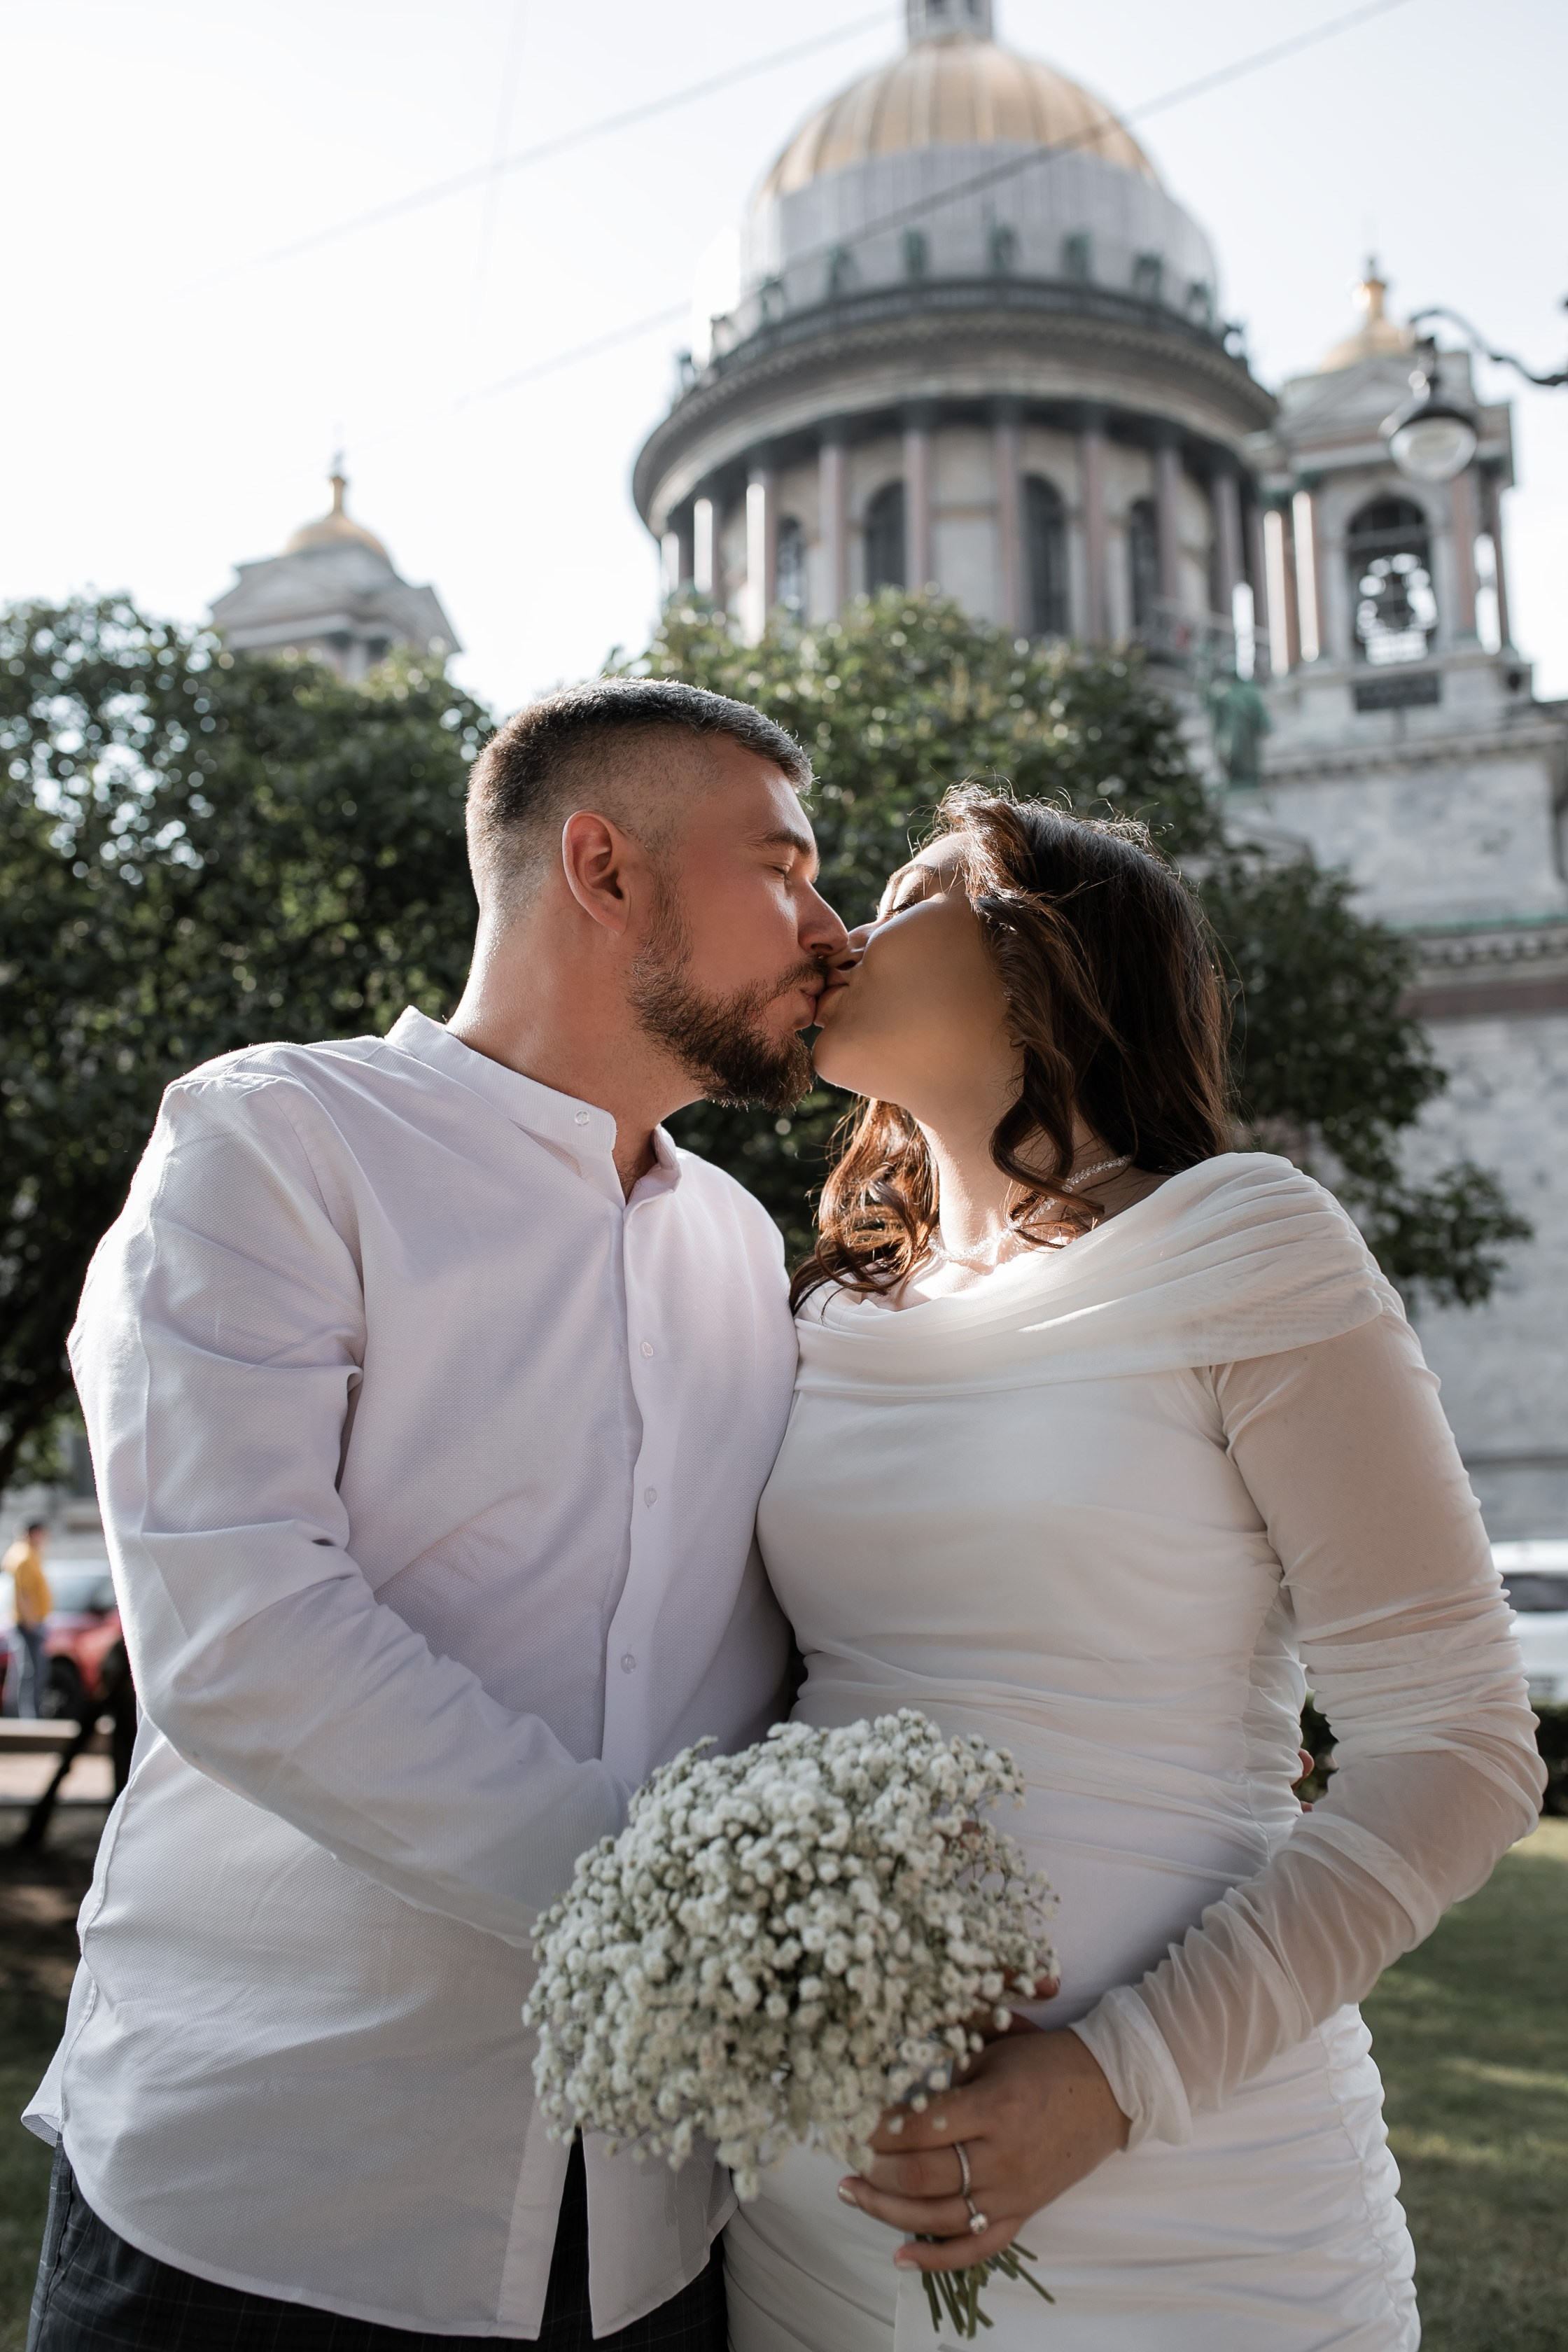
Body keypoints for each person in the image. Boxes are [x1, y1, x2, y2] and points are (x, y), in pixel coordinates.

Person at [23, 679, 848, 2352]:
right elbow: (246, 1638)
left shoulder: (749, 1257)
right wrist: (686, 1924)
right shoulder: (273, 1144)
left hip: (652, 2240)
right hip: (270, 2205)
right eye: (784, 865)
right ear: (604, 869)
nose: (834, 927)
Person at [724, 787, 1543, 2352]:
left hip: (1182, 2183)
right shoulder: (818, 1316)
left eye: (900, 897)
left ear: (1039, 961)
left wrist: (1115, 2080)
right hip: (815, 2203)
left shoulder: (1247, 1242)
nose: (835, 934)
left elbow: (1460, 1749)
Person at [4, 1519, 52, 1718]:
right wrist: (32, 1622)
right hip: (28, 1622)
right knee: (31, 1671)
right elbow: (24, 1593)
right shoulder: (24, 1556)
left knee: (22, 1671)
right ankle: (29, 1715)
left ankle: (21, 1713)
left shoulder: (24, 1553)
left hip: (27, 1621)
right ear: (34, 1533)